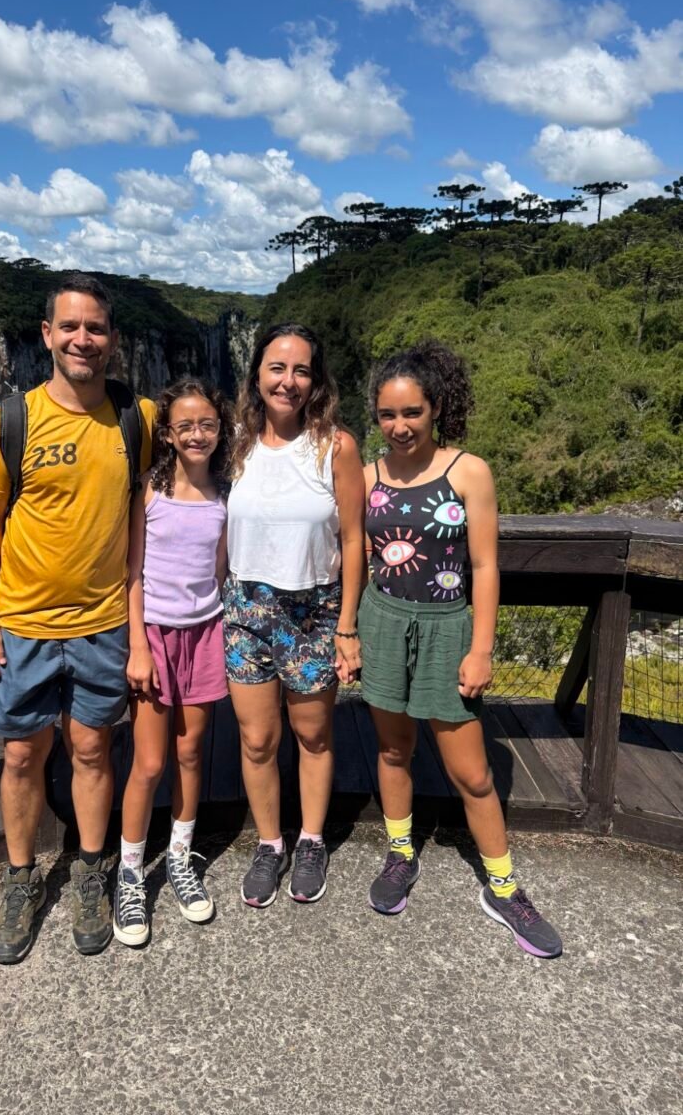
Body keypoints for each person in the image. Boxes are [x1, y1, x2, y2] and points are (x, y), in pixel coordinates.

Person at [0, 273, 155, 964]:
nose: (83, 339)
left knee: (93, 750)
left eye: (95, 328)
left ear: (113, 339)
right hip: (22, 623)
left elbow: (148, 511)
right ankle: (21, 881)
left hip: (103, 622)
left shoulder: (138, 418)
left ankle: (90, 872)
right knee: (21, 754)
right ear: (47, 335)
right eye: (69, 326)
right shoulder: (11, 420)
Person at [359, 341, 562, 957]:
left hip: (447, 626)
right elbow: (362, 556)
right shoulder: (368, 477)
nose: (399, 426)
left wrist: (481, 649)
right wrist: (351, 631)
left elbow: (484, 566)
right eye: (388, 414)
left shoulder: (468, 471)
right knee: (393, 750)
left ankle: (503, 887)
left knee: (471, 773)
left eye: (412, 412)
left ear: (437, 408)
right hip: (383, 622)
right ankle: (400, 852)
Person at [224, 323, 365, 908]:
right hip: (246, 608)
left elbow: (354, 540)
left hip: (313, 609)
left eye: (301, 370)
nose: (288, 381)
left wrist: (347, 626)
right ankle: (268, 843)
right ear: (257, 373)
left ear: (316, 380)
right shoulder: (236, 441)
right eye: (277, 368)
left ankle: (310, 839)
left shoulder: (336, 447)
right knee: (257, 739)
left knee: (312, 734)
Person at [115, 378, 233, 946]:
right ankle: (130, 873)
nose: (196, 435)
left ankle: (181, 859)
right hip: (155, 636)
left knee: (190, 753)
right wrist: (138, 646)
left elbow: (222, 569)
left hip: (205, 633)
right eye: (184, 425)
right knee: (149, 761)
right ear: (166, 433)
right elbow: (132, 574)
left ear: (220, 429)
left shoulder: (225, 495)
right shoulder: (149, 491)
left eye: (206, 424)